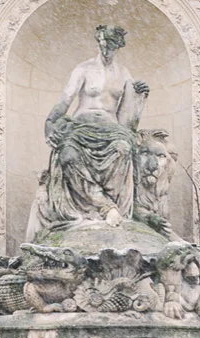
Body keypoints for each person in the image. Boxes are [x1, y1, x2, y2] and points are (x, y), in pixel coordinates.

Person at [26, 24, 150, 240]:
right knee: (68, 156)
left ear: (118, 45)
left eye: (109, 43)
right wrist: (50, 122)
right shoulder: (83, 69)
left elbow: (125, 118)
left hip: (111, 129)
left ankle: (107, 208)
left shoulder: (124, 74)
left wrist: (139, 96)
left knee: (123, 148)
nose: (104, 48)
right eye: (101, 42)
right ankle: (104, 207)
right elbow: (66, 99)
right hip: (80, 127)